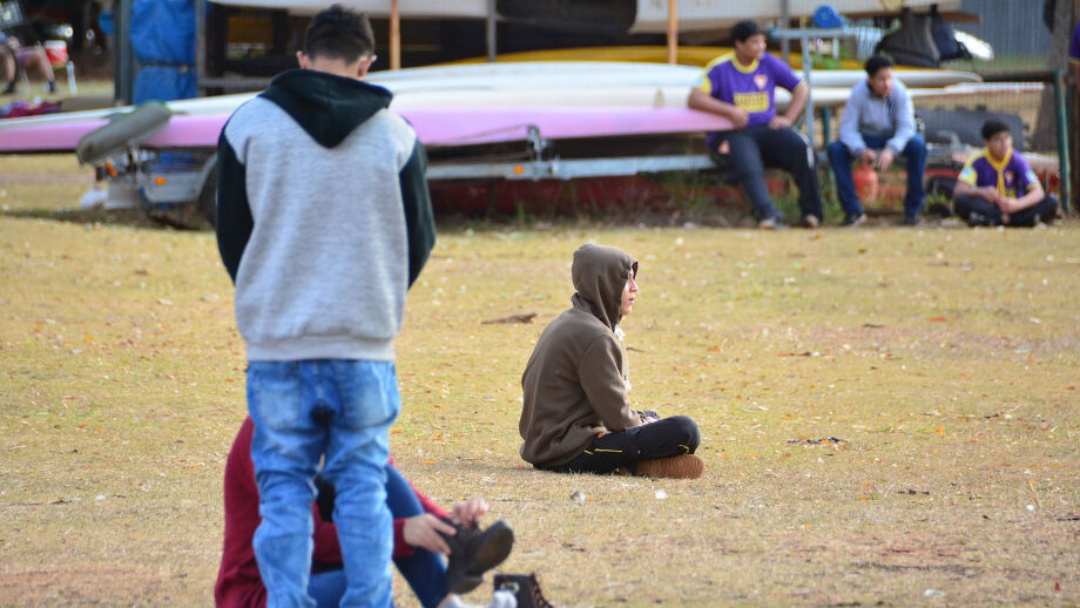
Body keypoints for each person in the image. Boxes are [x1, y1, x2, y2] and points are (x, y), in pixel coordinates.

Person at [215, 5, 437, 607]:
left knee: (283, 489)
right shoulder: (397, 134)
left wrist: (270, 286)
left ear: (302, 60)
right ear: (367, 65)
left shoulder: (248, 125)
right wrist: (376, 291)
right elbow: (420, 241)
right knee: (363, 488)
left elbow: (232, 237)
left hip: (278, 345)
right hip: (363, 344)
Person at [216, 418, 516, 608]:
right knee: (363, 585)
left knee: (380, 474)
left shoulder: (345, 419)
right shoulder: (271, 436)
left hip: (322, 573)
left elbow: (393, 493)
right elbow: (306, 540)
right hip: (266, 593)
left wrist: (447, 523)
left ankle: (453, 569)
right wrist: (401, 534)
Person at [518, 244, 704, 479]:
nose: (635, 288)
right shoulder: (596, 337)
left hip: (547, 442)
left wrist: (645, 420)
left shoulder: (569, 321)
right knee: (685, 431)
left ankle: (634, 461)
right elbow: (618, 417)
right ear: (605, 283)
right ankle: (636, 465)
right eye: (626, 281)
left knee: (652, 416)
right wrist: (641, 423)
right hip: (569, 452)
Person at [687, 20, 824, 229]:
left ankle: (812, 213)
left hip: (767, 129)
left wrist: (788, 119)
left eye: (763, 42)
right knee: (747, 160)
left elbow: (800, 88)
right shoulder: (720, 69)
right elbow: (695, 98)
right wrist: (729, 111)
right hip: (733, 133)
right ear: (739, 45)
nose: (761, 47)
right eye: (754, 43)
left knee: (802, 147)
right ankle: (768, 216)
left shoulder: (769, 63)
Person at [826, 55, 928, 226]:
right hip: (867, 138)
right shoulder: (858, 94)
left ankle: (913, 210)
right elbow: (847, 128)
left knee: (918, 146)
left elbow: (906, 127)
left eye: (889, 78)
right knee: (836, 150)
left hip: (894, 137)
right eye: (881, 79)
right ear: (870, 80)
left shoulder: (900, 93)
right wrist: (860, 149)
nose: (887, 84)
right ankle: (853, 211)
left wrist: (891, 149)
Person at [952, 120, 1059, 227]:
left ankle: (993, 220)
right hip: (990, 206)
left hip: (1015, 205)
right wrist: (981, 191)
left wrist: (1017, 204)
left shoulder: (1017, 160)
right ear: (986, 143)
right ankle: (1020, 220)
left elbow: (1038, 192)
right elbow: (959, 190)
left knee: (1051, 202)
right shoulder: (977, 160)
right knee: (961, 202)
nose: (1004, 144)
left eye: (1007, 138)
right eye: (997, 139)